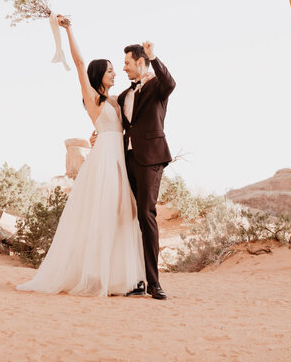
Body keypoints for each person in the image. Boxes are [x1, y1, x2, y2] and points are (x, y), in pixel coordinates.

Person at [16, 15, 145, 297]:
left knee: (121, 215)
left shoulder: (117, 99)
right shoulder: (92, 98)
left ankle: (118, 277)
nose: (114, 73)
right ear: (99, 74)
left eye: (115, 69)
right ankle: (94, 276)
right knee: (101, 214)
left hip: (119, 159)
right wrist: (68, 30)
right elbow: (78, 63)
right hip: (103, 164)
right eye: (109, 70)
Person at [118, 40, 175, 300]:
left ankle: (154, 282)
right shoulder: (123, 96)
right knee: (124, 214)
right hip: (125, 158)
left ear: (141, 62)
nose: (124, 68)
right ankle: (130, 277)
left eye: (128, 63)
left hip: (150, 159)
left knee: (145, 214)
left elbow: (170, 83)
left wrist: (155, 57)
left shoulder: (157, 87)